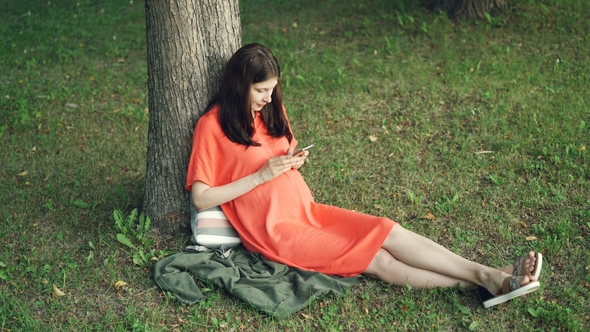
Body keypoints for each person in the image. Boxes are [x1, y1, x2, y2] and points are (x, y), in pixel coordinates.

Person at [185, 43, 542, 308]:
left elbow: (282, 151)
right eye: (261, 90)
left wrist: (293, 160)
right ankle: (487, 278)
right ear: (239, 85)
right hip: (276, 232)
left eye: (272, 89)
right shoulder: (211, 126)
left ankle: (490, 277)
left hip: (309, 211)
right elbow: (201, 197)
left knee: (386, 230)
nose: (268, 97)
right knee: (375, 260)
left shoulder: (269, 111)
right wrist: (261, 177)